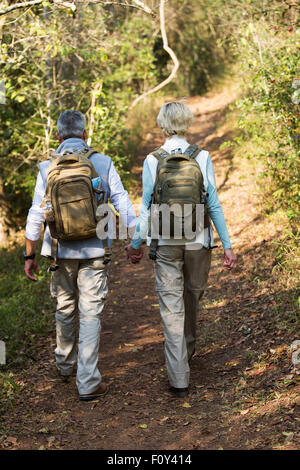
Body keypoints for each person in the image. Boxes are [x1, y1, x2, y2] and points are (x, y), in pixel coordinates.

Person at [126, 102, 237, 398]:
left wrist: (137, 243)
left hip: (165, 241)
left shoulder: (153, 160)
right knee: (192, 295)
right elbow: (212, 202)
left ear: (162, 124)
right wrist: (226, 244)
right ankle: (184, 358)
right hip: (199, 241)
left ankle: (179, 373)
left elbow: (147, 208)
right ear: (187, 123)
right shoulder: (202, 157)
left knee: (171, 305)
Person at [24, 110, 137, 401]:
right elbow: (122, 203)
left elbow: (36, 214)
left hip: (58, 251)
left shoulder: (46, 167)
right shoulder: (102, 162)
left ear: (58, 136)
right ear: (85, 134)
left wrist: (29, 254)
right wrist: (136, 238)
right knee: (90, 313)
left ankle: (65, 364)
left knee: (64, 306)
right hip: (95, 250)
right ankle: (87, 381)